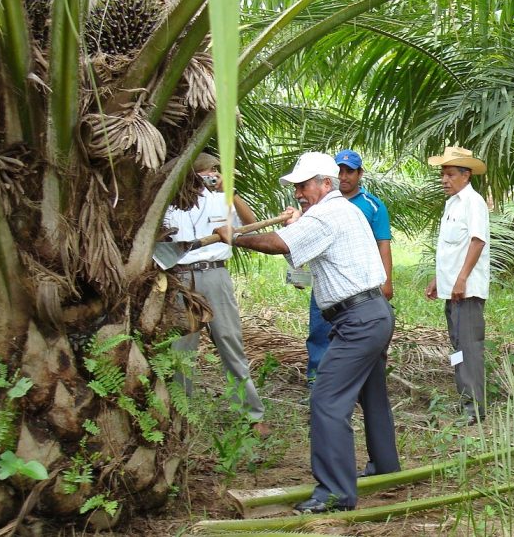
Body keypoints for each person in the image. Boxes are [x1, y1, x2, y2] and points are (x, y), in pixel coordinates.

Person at [215, 151, 399, 513]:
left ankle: (334, 493)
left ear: (325, 184)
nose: (298, 192)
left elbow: (280, 244)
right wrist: (297, 222)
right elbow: (297, 250)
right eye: (296, 186)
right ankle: (386, 467)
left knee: (326, 401)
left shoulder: (327, 214)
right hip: (370, 315)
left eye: (303, 185)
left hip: (359, 321)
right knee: (372, 393)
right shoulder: (339, 210)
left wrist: (233, 237)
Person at [163, 153, 269, 437]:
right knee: (180, 349)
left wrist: (230, 192)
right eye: (207, 171)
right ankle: (177, 417)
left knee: (229, 341)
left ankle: (251, 414)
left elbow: (251, 221)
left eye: (214, 171)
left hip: (215, 274)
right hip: (180, 277)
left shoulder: (221, 198)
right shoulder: (170, 200)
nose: (211, 175)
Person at [303, 149, 394, 386]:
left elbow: (383, 243)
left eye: (350, 171)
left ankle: (354, 381)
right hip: (328, 281)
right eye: (339, 171)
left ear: (360, 174)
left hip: (359, 285)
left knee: (357, 334)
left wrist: (387, 281)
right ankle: (317, 378)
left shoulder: (372, 206)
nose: (344, 176)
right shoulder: (316, 204)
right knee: (320, 329)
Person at [424, 147, 491, 425]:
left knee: (468, 346)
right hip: (452, 289)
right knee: (457, 345)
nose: (444, 179)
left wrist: (462, 278)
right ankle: (465, 398)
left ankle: (474, 407)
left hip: (467, 290)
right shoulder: (452, 204)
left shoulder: (472, 202)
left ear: (466, 175)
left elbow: (477, 241)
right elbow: (451, 248)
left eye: (450, 174)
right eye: (443, 173)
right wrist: (440, 278)